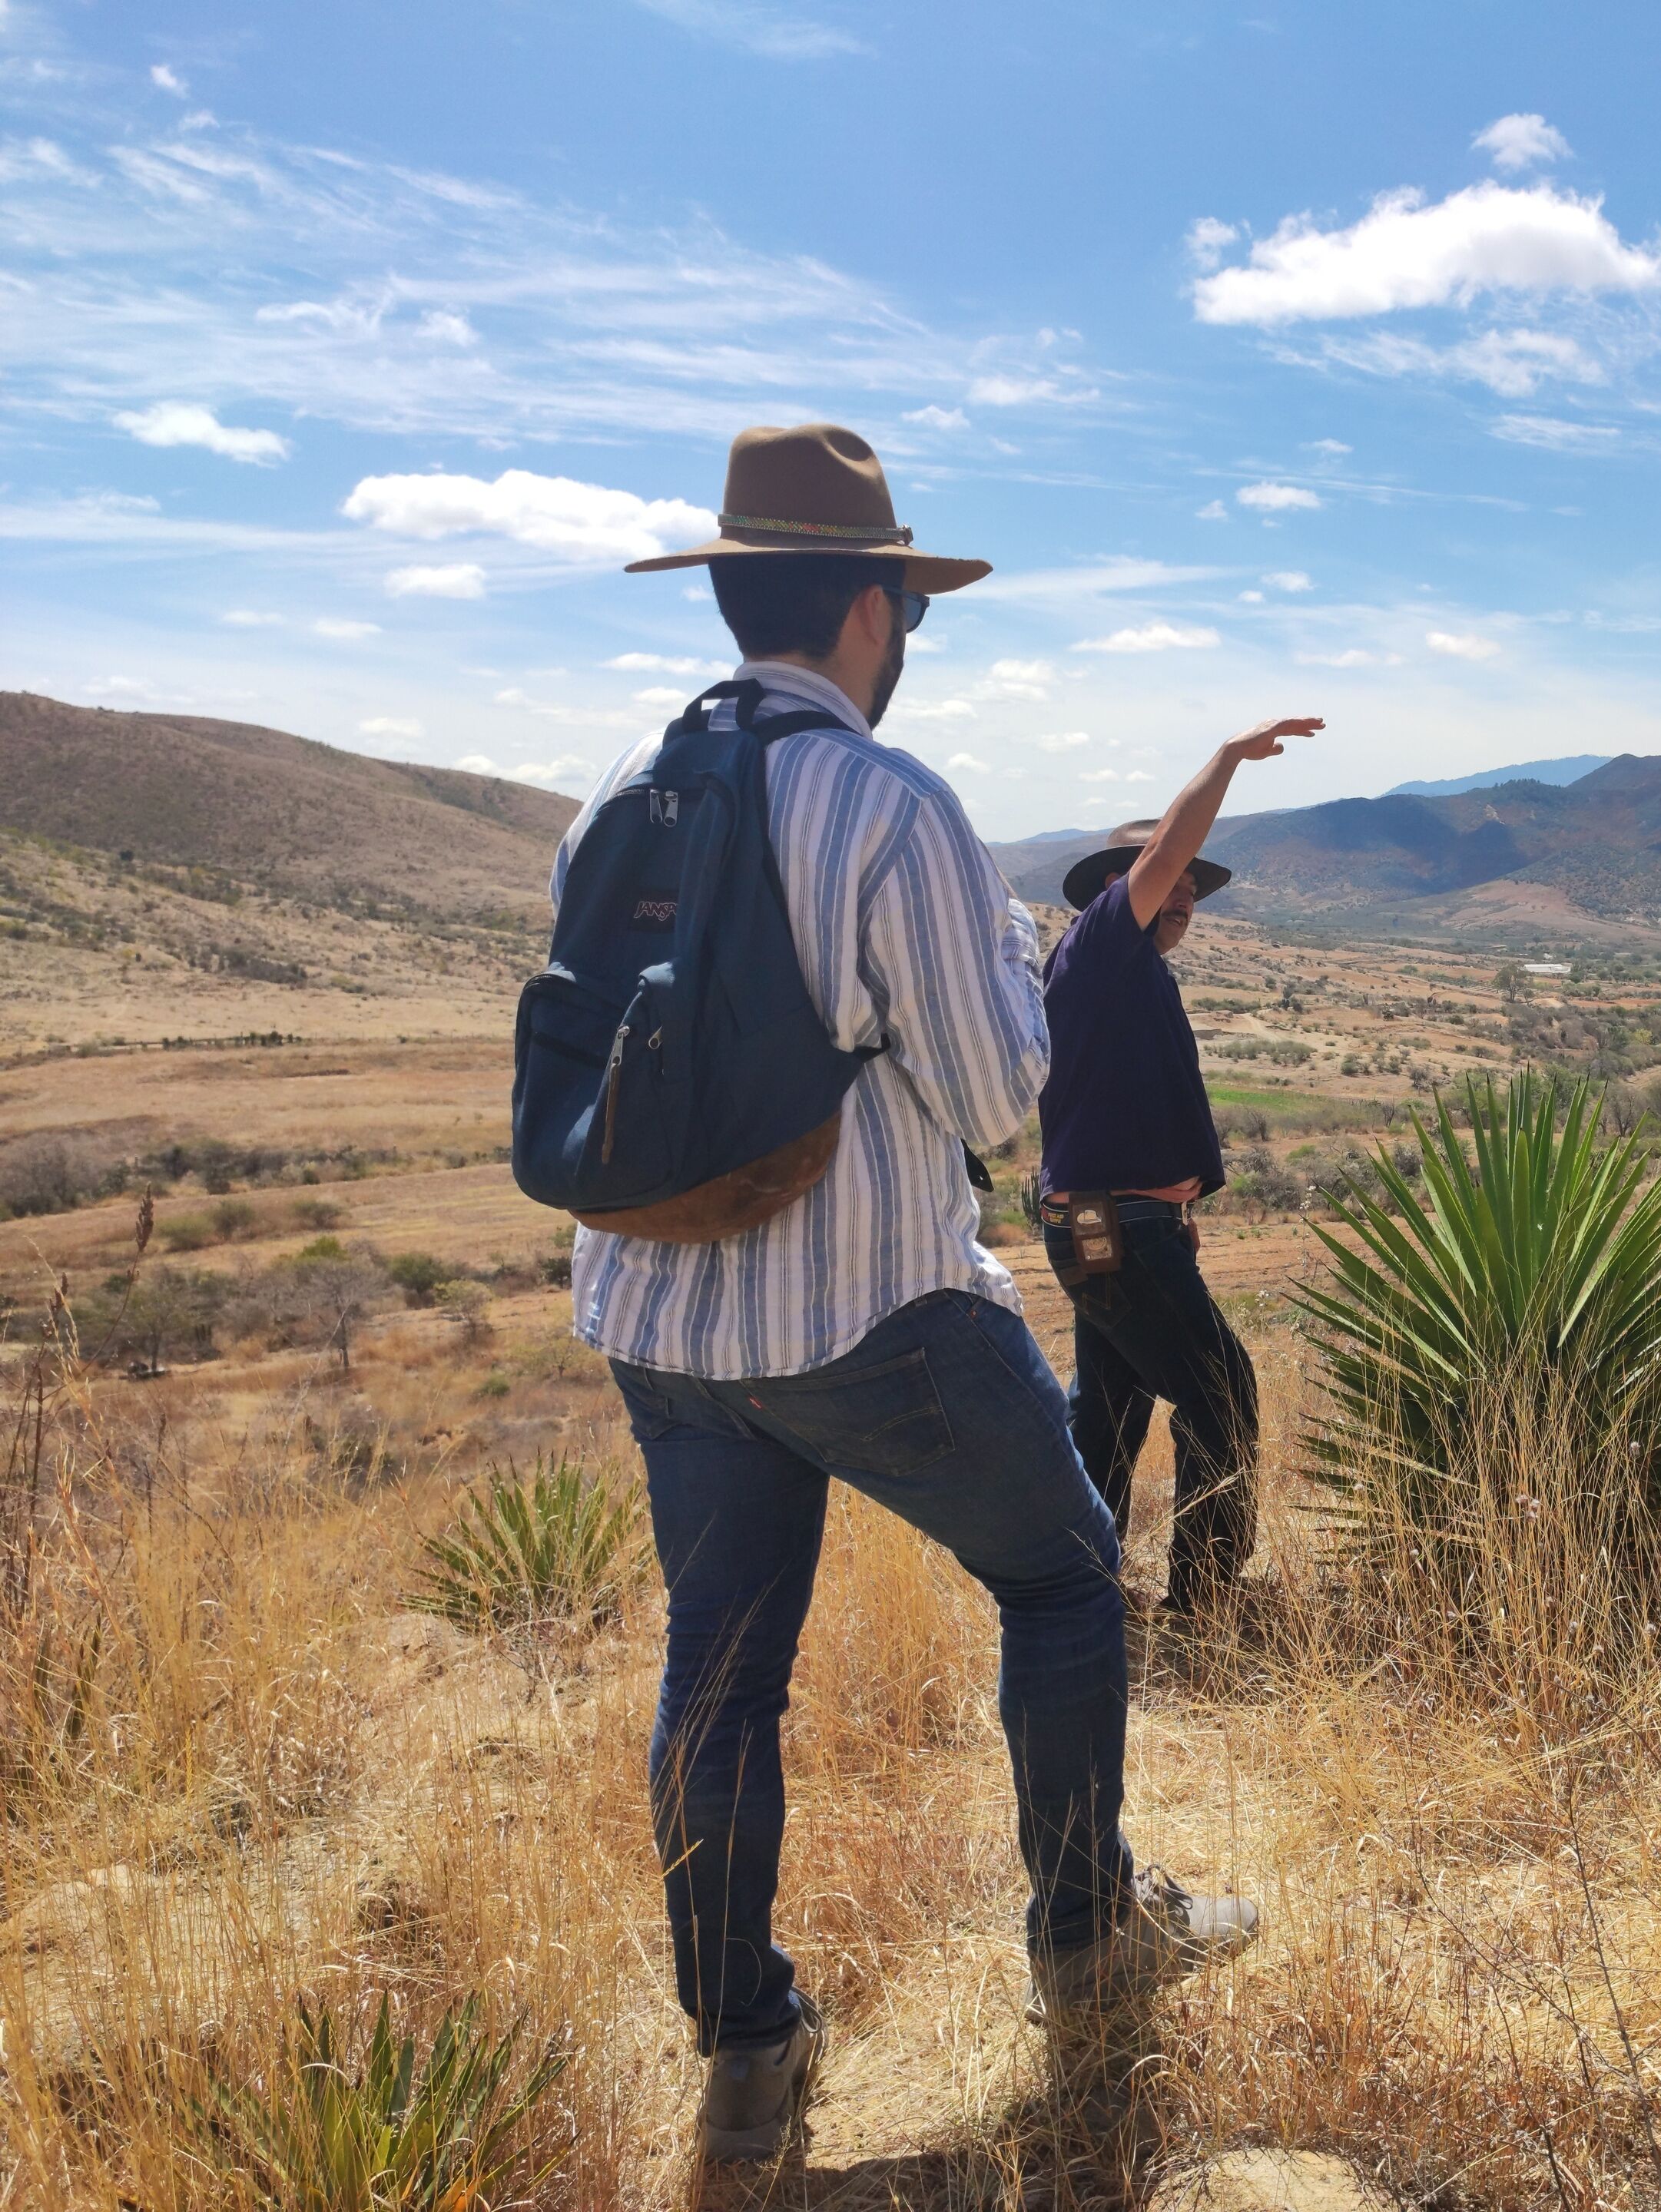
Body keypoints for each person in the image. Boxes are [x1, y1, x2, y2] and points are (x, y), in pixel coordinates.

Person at [562, 423, 1256, 2161]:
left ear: (737, 600)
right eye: (913, 612)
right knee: (1067, 1575)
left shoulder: (614, 796)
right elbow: (998, 1097)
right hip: (870, 1316)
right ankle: (1086, 1943)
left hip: (658, 1321)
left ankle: (745, 2049)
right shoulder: (892, 805)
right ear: (872, 607)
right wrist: (1008, 968)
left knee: (720, 1676)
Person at [1036, 724, 1316, 1623]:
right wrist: (1229, 759)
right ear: (1116, 890)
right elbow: (1163, 853)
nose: (1187, 890)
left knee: (1109, 1411)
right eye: (1173, 878)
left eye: (1196, 886)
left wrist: (1177, 1205)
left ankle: (1078, 1587)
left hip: (1110, 1223)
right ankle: (1203, 1601)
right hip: (1114, 1225)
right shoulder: (1100, 946)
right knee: (1220, 1390)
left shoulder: (1137, 975)